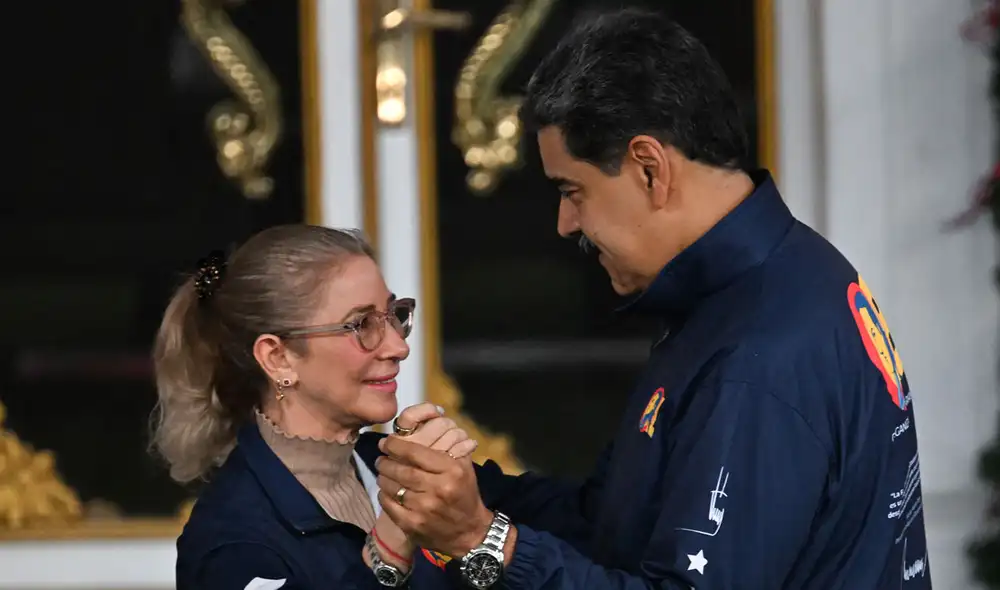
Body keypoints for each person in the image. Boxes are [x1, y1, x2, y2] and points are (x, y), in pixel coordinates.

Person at [373, 8, 931, 590]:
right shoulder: (777, 278)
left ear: (649, 168)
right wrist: (453, 486)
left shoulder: (759, 358)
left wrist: (482, 541)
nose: (565, 223)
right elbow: (614, 523)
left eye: (572, 191)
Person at [152, 224, 477, 589]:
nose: (398, 347)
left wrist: (474, 519)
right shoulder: (232, 542)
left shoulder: (384, 465)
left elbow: (530, 526)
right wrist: (389, 547)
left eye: (392, 316)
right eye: (362, 325)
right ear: (278, 359)